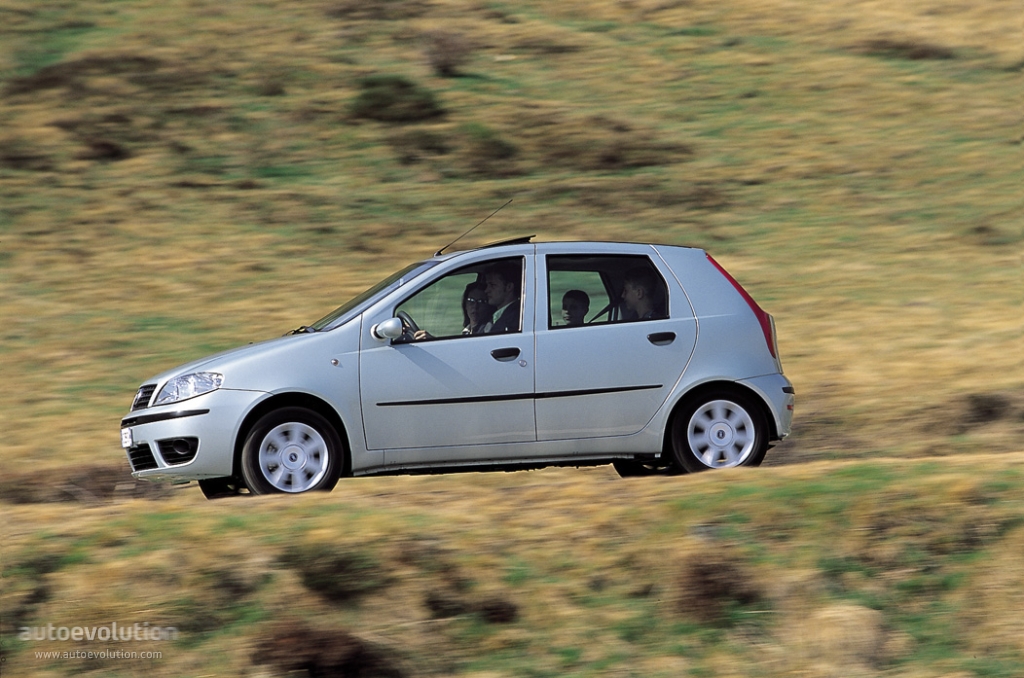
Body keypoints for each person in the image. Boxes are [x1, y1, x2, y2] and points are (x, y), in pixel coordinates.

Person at [483, 262, 521, 333]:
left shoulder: (514, 320)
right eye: (487, 285)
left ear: (509, 287)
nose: (486, 290)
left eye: (492, 285)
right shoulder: (498, 316)